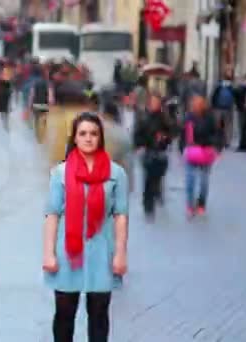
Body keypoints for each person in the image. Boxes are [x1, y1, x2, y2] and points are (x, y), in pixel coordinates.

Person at [43, 113, 129, 342]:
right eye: (83, 133)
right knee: (64, 313)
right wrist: (48, 253)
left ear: (100, 137)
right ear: (75, 138)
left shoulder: (116, 174)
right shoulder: (60, 173)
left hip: (101, 250)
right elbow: (52, 214)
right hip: (68, 252)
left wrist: (120, 254)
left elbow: (121, 216)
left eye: (93, 133)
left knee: (99, 314)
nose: (88, 138)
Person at [134, 94, 172, 220]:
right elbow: (137, 133)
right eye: (153, 102)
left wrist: (165, 138)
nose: (155, 104)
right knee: (148, 179)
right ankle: (148, 205)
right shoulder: (143, 117)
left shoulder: (164, 117)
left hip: (161, 152)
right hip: (148, 151)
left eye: (157, 102)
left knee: (158, 176)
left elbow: (171, 132)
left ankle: (157, 192)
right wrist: (139, 145)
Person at [183, 95, 218, 217]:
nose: (196, 107)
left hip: (206, 152)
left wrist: (214, 146)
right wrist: (182, 149)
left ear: (203, 105)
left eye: (199, 104)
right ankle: (189, 204)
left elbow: (217, 134)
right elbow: (183, 134)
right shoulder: (188, 117)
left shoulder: (210, 117)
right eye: (194, 104)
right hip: (192, 151)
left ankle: (201, 204)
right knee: (190, 180)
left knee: (204, 181)